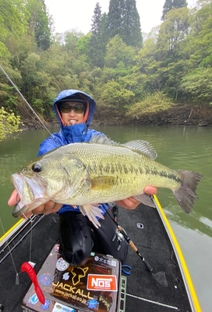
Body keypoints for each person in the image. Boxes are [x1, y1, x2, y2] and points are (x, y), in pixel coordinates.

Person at [8, 89, 157, 266]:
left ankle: (110, 215)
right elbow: (47, 177)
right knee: (77, 255)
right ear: (59, 112)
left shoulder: (97, 139)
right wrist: (33, 191)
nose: (72, 113)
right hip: (68, 209)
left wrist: (128, 192)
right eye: (66, 108)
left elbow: (116, 175)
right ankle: (72, 230)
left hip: (99, 204)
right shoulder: (49, 146)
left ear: (86, 112)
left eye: (78, 108)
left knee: (118, 257)